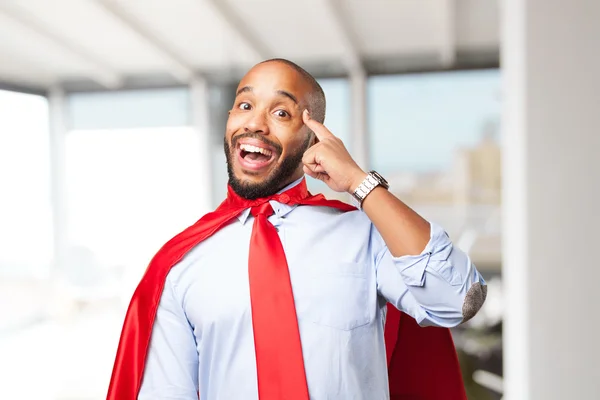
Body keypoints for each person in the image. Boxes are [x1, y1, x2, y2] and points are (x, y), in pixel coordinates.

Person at [107, 59, 487, 400]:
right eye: (245, 105)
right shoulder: (182, 264)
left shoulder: (364, 236)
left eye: (282, 112)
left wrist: (359, 181)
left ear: (312, 137)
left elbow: (457, 298)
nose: (255, 123)